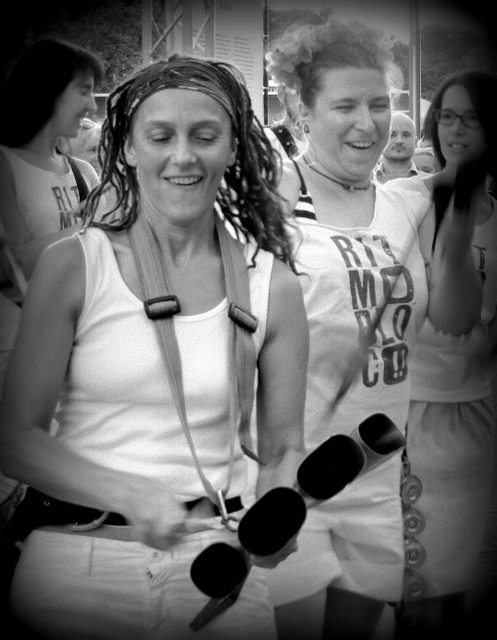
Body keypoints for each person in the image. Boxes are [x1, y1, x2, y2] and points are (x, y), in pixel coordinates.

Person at [0, 54, 309, 640]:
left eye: (205, 136)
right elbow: (17, 441)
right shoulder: (74, 264)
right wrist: (128, 493)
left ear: (233, 148)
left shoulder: (273, 283)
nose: (183, 156)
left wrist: (279, 508)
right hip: (77, 563)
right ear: (130, 150)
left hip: (218, 564)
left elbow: (284, 446)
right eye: (161, 136)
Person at [264, 20, 482, 640]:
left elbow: (455, 320)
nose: (368, 123)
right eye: (345, 106)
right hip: (289, 475)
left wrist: (456, 239)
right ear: (301, 111)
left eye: (380, 104)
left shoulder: (406, 205)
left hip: (378, 473)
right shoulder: (273, 206)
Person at [385, 70, 497, 640]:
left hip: (477, 416)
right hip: (409, 417)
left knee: (465, 580)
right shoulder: (404, 201)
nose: (456, 129)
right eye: (447, 116)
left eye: (472, 117)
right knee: (414, 586)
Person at [0, 38, 104, 287]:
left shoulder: (83, 171)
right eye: (84, 91)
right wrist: (93, 224)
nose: (92, 105)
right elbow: (16, 264)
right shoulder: (1, 163)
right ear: (49, 89)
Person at [375, 111, 420, 183]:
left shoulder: (431, 185)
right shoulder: (361, 184)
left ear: (415, 142)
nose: (399, 141)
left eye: (406, 135)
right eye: (392, 135)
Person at [265, 84, 306, 162]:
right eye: (302, 90)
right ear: (282, 93)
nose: (312, 101)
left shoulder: (329, 145)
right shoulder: (266, 143)